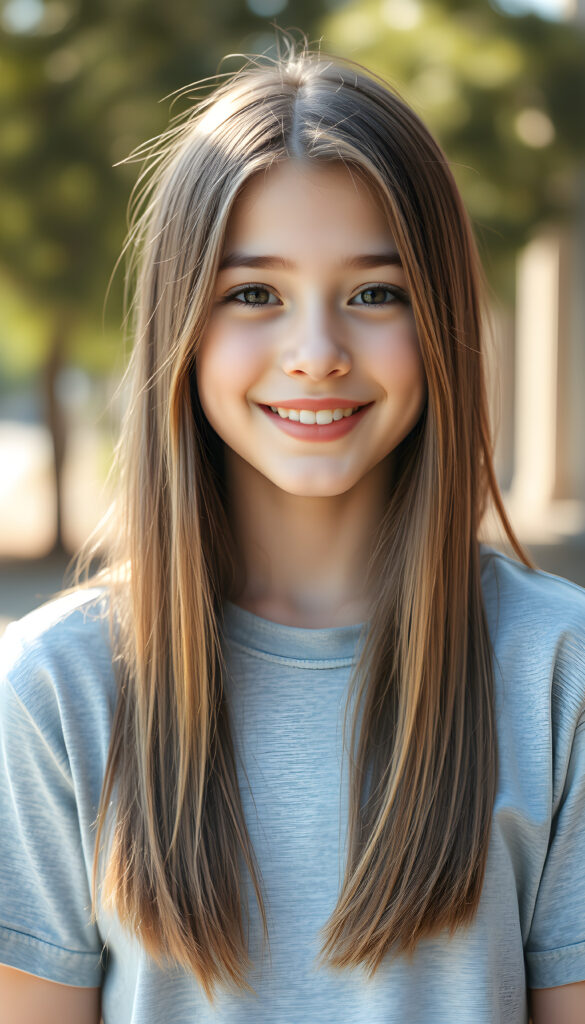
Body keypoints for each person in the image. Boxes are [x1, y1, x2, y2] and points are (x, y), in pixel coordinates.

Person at [1, 42, 584, 1024]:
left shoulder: (558, 672)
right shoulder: (52, 693)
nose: (316, 353)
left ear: (439, 318)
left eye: (375, 292)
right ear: (180, 328)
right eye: (254, 294)